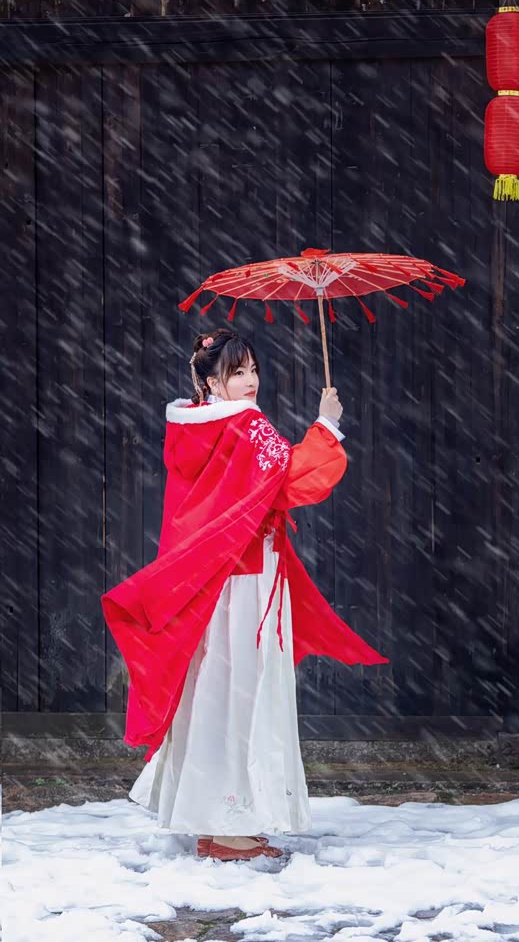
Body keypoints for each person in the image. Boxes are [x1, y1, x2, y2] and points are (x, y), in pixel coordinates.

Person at [101, 327, 389, 862]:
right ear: (211, 381)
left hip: (212, 582)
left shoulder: (190, 429)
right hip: (250, 581)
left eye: (253, 369)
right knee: (245, 696)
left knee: (214, 691)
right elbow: (298, 480)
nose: (252, 381)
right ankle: (231, 824)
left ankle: (215, 818)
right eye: (238, 372)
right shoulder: (246, 426)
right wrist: (327, 423)